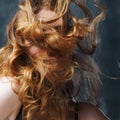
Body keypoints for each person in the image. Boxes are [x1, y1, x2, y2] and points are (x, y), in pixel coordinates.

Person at [0, 0, 108, 120]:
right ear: (23, 43)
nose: (53, 47)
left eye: (61, 34)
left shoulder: (86, 115)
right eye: (40, 37)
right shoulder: (10, 90)